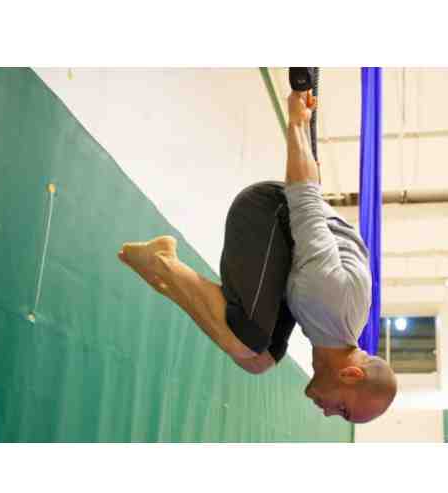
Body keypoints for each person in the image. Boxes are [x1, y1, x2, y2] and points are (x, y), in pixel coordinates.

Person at [118, 89, 397, 423]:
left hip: (292, 250)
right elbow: (305, 196)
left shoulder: (329, 329)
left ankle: (164, 273)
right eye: (343, 409)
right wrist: (298, 120)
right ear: (351, 375)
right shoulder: (330, 300)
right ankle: (163, 261)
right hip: (269, 209)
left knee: (257, 360)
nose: (328, 413)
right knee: (246, 340)